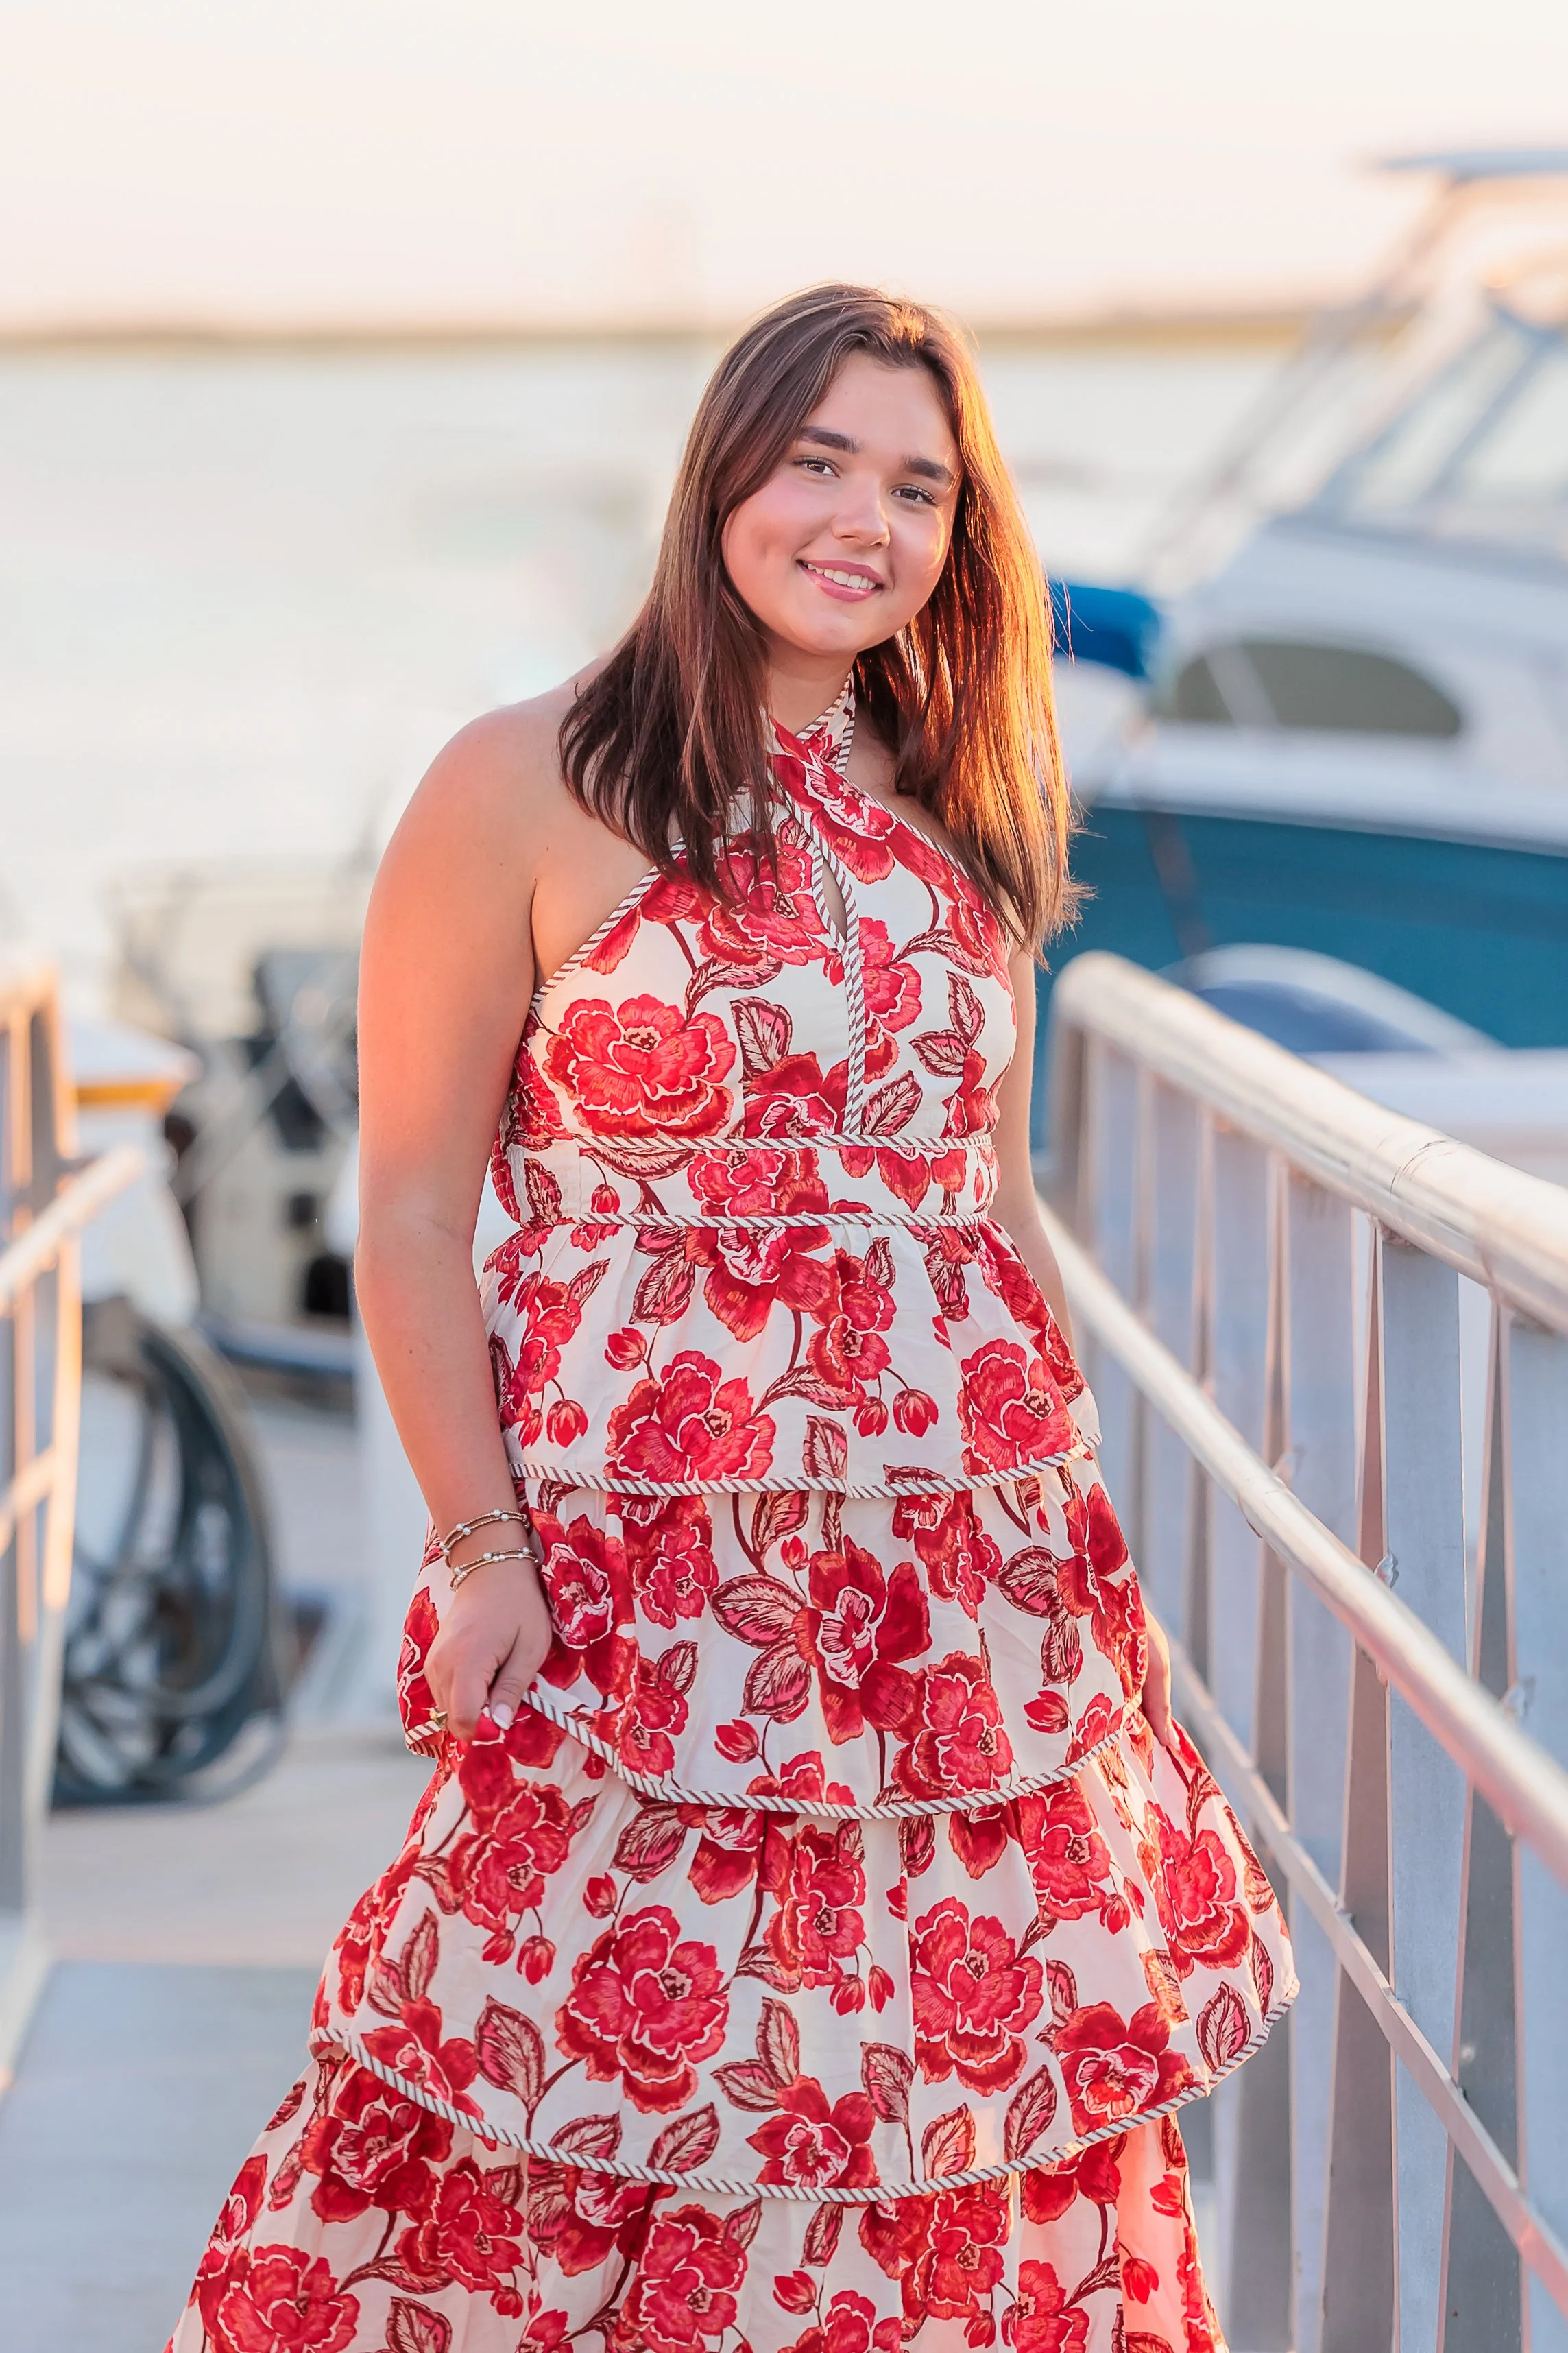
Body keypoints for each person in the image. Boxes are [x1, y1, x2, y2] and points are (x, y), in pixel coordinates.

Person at [169, 284, 1294, 2353]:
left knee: (949, 2103)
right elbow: (409, 1209)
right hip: (638, 1571)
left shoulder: (955, 789)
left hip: (956, 1591)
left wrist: (1073, 1549)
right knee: (563, 2081)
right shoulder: (524, 779)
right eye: (817, 462)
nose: (861, 520)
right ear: (721, 474)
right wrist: (478, 1542)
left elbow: (991, 1200)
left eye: (917, 487)